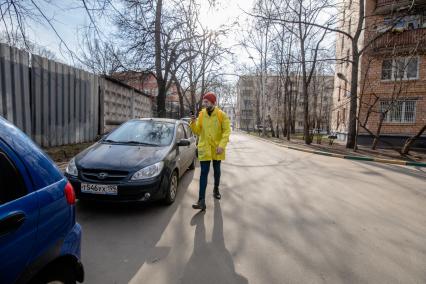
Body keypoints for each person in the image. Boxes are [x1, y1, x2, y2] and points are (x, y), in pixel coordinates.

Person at [190, 92, 231, 210]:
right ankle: (201, 200)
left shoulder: (221, 115)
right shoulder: (202, 115)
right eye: (204, 102)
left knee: (217, 171)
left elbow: (227, 131)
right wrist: (193, 122)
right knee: (203, 173)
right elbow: (197, 131)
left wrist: (222, 146)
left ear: (213, 102)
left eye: (206, 102)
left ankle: (216, 189)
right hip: (205, 148)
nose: (204, 104)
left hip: (217, 149)